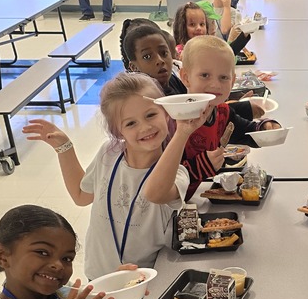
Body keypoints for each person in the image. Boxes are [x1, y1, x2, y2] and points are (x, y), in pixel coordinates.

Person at [22, 72, 197, 280]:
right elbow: (81, 195)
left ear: (167, 114)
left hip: (145, 280)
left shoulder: (176, 174)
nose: (145, 127)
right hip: (99, 275)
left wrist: (182, 132)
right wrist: (64, 148)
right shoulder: (109, 153)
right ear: (118, 132)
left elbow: (155, 193)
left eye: (151, 115)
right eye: (130, 123)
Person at [178, 36, 281, 198]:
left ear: (233, 81)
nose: (215, 84)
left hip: (192, 201)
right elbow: (165, 178)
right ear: (185, 77)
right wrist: (203, 166)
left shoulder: (221, 111)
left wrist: (265, 128)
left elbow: (245, 131)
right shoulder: (177, 121)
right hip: (166, 211)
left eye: (223, 77)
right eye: (205, 75)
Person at [121, 21, 187, 95]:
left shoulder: (173, 80)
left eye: (164, 53)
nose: (160, 60)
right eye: (147, 57)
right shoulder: (140, 99)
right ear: (134, 67)